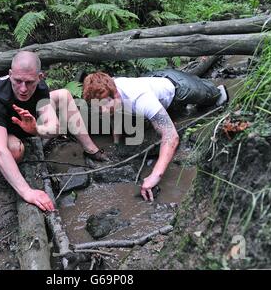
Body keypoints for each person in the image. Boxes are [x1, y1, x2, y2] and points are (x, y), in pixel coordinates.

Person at [0, 51, 108, 212]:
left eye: (29, 83)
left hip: (23, 120)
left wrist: (36, 129)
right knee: (15, 151)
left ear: (40, 77)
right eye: (18, 81)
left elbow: (54, 127)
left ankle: (91, 149)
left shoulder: (40, 87)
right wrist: (27, 192)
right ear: (10, 74)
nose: (23, 88)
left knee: (64, 95)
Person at [82, 68, 229, 202]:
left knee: (215, 95)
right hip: (150, 80)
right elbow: (115, 116)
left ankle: (200, 85)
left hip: (176, 86)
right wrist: (116, 142)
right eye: (98, 107)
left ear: (115, 94)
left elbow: (171, 137)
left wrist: (154, 176)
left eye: (105, 105)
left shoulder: (141, 99)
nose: (103, 110)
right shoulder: (106, 89)